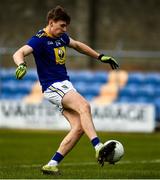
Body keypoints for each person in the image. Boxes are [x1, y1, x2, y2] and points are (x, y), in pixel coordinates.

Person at [13, 6, 119, 175]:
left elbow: (77, 45)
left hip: (64, 85)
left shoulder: (61, 37)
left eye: (66, 26)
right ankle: (98, 146)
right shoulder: (39, 39)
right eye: (62, 25)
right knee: (84, 105)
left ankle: (52, 164)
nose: (65, 29)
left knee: (78, 127)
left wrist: (100, 56)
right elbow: (19, 52)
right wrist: (21, 64)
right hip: (53, 86)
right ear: (51, 22)